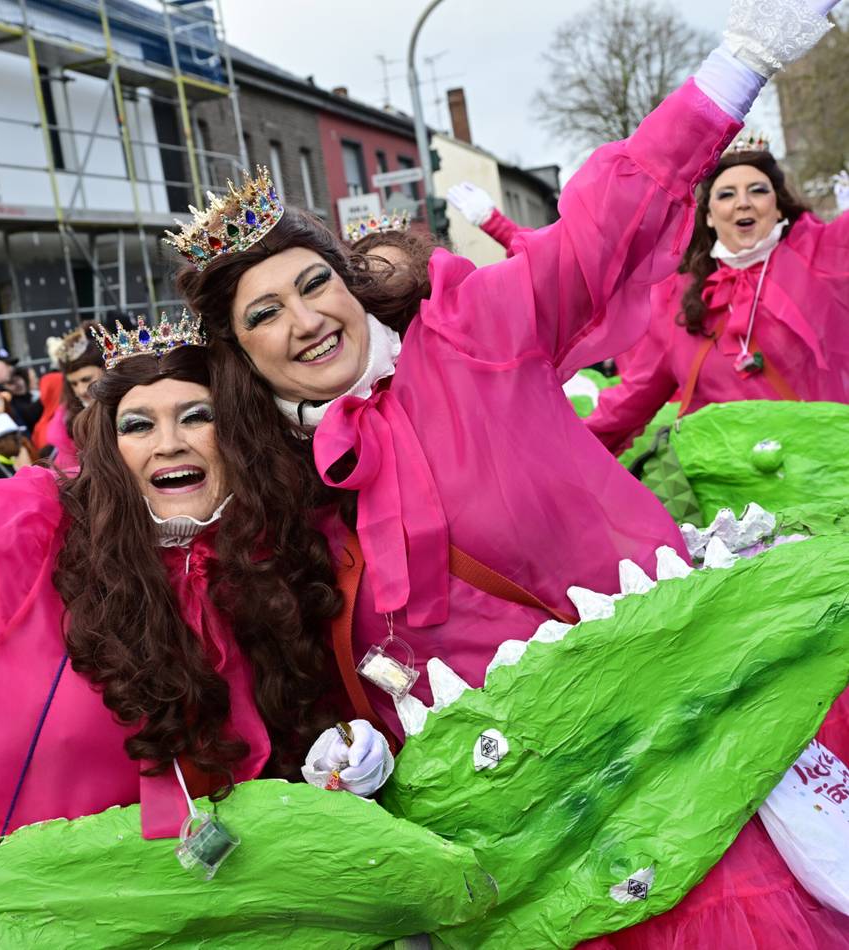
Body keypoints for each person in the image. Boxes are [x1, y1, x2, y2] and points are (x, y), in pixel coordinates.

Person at [171, 0, 849, 943]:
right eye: (263, 315)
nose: (303, 321)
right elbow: (337, 676)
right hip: (533, 847)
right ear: (244, 357)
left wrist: (738, 65)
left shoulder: (471, 334)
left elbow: (606, 222)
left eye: (312, 282)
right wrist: (354, 750)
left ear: (348, 280)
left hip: (688, 761)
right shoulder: (281, 494)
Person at [0, 314, 392, 899]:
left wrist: (340, 760)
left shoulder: (278, 558)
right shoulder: (40, 538)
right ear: (110, 449)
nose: (169, 443)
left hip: (183, 914)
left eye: (197, 416)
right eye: (138, 424)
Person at [586, 140, 849, 454]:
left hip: (827, 471)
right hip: (731, 488)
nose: (743, 203)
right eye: (726, 194)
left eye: (758, 190)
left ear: (778, 205)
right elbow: (633, 398)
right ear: (708, 215)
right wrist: (562, 451)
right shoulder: (676, 297)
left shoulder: (824, 253)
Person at [44, 324, 105, 470]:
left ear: (106, 371)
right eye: (73, 383)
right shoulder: (66, 413)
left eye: (86, 379)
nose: (81, 390)